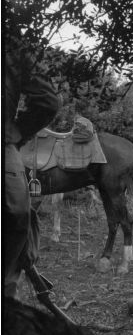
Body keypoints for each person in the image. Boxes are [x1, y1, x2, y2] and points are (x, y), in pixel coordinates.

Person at [3, 33, 59, 298]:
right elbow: (48, 102)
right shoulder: (12, 39)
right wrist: (19, 130)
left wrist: (16, 131)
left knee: (18, 215)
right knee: (17, 215)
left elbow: (48, 102)